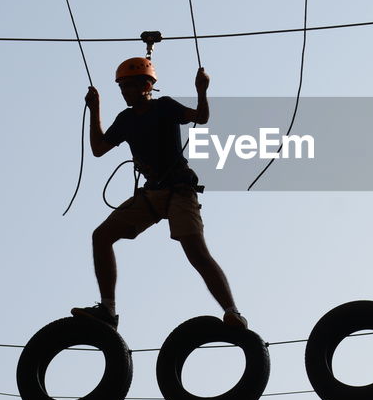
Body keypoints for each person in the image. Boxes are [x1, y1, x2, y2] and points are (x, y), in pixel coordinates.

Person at [72, 56, 246, 330]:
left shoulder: (164, 107)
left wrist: (202, 90)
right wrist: (95, 109)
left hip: (179, 190)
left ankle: (233, 311)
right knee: (101, 236)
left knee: (196, 252)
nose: (124, 92)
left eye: (129, 86)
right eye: (121, 87)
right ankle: (108, 311)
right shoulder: (126, 119)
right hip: (152, 194)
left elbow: (201, 117)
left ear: (147, 86)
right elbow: (98, 148)